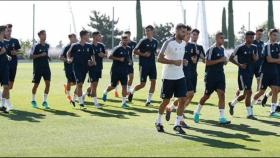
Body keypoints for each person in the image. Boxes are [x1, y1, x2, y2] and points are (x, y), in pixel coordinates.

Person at [155, 23, 187, 134]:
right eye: (183, 32)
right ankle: (158, 121)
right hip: (168, 77)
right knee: (165, 101)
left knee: (183, 99)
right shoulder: (168, 42)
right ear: (177, 31)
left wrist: (183, 62)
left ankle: (177, 125)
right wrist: (173, 62)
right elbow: (159, 58)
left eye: (185, 32)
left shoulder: (184, 43)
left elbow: (179, 58)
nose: (185, 34)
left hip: (180, 76)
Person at [193, 32, 231, 125]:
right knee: (206, 96)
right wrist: (220, 60)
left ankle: (222, 117)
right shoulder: (211, 49)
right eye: (221, 38)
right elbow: (207, 62)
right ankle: (197, 112)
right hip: (211, 76)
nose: (222, 40)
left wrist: (225, 61)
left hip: (220, 76)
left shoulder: (222, 49)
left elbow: (223, 60)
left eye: (223, 38)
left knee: (222, 95)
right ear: (217, 39)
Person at [228, 31, 258, 119]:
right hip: (243, 73)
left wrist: (254, 57)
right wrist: (240, 65)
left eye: (253, 37)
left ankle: (232, 104)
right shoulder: (240, 47)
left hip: (250, 73)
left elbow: (256, 58)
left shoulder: (254, 47)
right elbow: (230, 58)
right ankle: (249, 114)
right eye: (250, 37)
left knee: (245, 94)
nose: (251, 39)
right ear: (245, 38)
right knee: (249, 92)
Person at [251, 29, 280, 118]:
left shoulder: (278, 46)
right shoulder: (267, 46)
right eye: (274, 35)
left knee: (275, 90)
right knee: (261, 92)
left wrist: (277, 60)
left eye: (277, 35)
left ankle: (272, 111)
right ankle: (250, 105)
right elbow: (269, 59)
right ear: (270, 35)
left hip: (275, 72)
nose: (276, 37)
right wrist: (278, 60)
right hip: (265, 72)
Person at [128, 25, 158, 106]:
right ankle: (131, 92)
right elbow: (134, 51)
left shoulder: (155, 42)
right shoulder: (143, 41)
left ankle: (148, 101)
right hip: (143, 65)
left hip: (152, 65)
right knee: (142, 84)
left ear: (152, 31)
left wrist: (156, 54)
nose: (147, 32)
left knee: (153, 82)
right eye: (146, 30)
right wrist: (143, 54)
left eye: (148, 30)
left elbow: (154, 52)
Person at [67, 30, 96, 108]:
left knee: (80, 84)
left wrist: (93, 61)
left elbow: (92, 54)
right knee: (79, 84)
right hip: (76, 68)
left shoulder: (89, 46)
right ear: (83, 36)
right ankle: (81, 103)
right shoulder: (74, 45)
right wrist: (69, 59)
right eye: (87, 35)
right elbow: (68, 53)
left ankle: (73, 99)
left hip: (85, 68)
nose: (88, 37)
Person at [102, 34, 131, 109]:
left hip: (124, 71)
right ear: (121, 40)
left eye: (127, 40)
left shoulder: (128, 48)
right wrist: (119, 59)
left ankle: (123, 103)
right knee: (113, 86)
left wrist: (129, 61)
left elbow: (128, 57)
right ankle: (105, 92)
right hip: (116, 70)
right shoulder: (117, 48)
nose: (125, 41)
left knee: (124, 86)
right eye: (124, 40)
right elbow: (109, 56)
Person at [84, 31, 107, 108]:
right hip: (91, 69)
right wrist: (90, 62)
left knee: (93, 85)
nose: (100, 37)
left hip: (99, 68)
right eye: (99, 36)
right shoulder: (89, 46)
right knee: (94, 86)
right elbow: (85, 57)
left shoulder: (101, 45)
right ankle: (96, 103)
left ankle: (84, 95)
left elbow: (106, 55)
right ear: (94, 37)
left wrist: (103, 55)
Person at [30, 30, 51, 109]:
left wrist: (48, 57)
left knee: (48, 84)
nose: (45, 36)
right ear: (40, 36)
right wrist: (40, 55)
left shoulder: (47, 45)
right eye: (43, 35)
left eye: (45, 34)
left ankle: (44, 101)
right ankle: (33, 100)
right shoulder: (35, 46)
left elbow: (46, 54)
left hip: (46, 68)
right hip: (38, 68)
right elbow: (31, 56)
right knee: (36, 85)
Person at [59, 33, 78, 107]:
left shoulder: (77, 46)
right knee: (71, 82)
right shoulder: (66, 47)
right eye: (74, 37)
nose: (76, 38)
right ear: (70, 38)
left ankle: (73, 96)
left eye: (76, 37)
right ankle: (69, 95)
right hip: (68, 68)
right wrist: (68, 60)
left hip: (77, 68)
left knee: (78, 83)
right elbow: (60, 57)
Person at [4, 24, 21, 90]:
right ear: (4, 31)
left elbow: (20, 51)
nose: (9, 32)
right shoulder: (2, 41)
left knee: (10, 86)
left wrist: (16, 52)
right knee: (6, 84)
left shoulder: (15, 40)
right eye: (8, 31)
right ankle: (6, 100)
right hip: (5, 64)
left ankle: (2, 96)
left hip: (13, 64)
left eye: (10, 31)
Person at [0, 25, 12, 113]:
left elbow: (3, 53)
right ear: (2, 32)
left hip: (5, 67)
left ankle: (2, 106)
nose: (6, 32)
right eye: (5, 31)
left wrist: (6, 55)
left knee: (6, 86)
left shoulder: (3, 42)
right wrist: (1, 52)